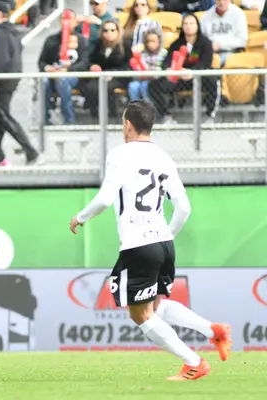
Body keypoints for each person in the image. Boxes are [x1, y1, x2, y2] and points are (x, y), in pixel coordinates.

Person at [69, 100, 232, 381]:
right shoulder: (163, 157)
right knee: (154, 306)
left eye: (123, 123)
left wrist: (81, 217)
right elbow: (184, 208)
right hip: (165, 242)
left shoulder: (120, 154)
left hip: (138, 244)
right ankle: (213, 331)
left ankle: (194, 363)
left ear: (128, 125)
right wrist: (165, 235)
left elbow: (106, 199)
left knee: (140, 314)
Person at [0, 1, 41, 166]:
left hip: (2, 82)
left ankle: (31, 151)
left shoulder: (0, 33)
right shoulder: (14, 32)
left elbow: (1, 61)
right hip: (11, 79)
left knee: (3, 117)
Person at [148, 13, 218, 125]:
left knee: (213, 81)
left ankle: (209, 115)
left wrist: (192, 72)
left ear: (197, 26)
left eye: (191, 23)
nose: (188, 26)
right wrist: (169, 70)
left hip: (198, 78)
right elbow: (167, 62)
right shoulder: (176, 43)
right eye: (185, 23)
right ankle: (166, 116)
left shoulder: (205, 43)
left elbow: (206, 63)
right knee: (153, 86)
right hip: (179, 79)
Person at [38, 10, 89, 125]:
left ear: (75, 22)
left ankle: (69, 119)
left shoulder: (81, 40)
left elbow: (84, 63)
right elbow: (41, 62)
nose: (67, 22)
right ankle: (45, 118)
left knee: (62, 80)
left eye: (70, 19)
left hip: (73, 77)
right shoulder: (51, 40)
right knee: (44, 82)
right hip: (52, 75)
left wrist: (68, 69)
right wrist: (48, 68)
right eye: (64, 19)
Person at [201, 0, 248, 67]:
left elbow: (243, 41)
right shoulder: (206, 16)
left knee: (216, 62)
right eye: (219, 0)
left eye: (225, 0)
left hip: (232, 52)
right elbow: (201, 38)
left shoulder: (239, 13)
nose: (222, 3)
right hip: (210, 52)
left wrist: (221, 44)